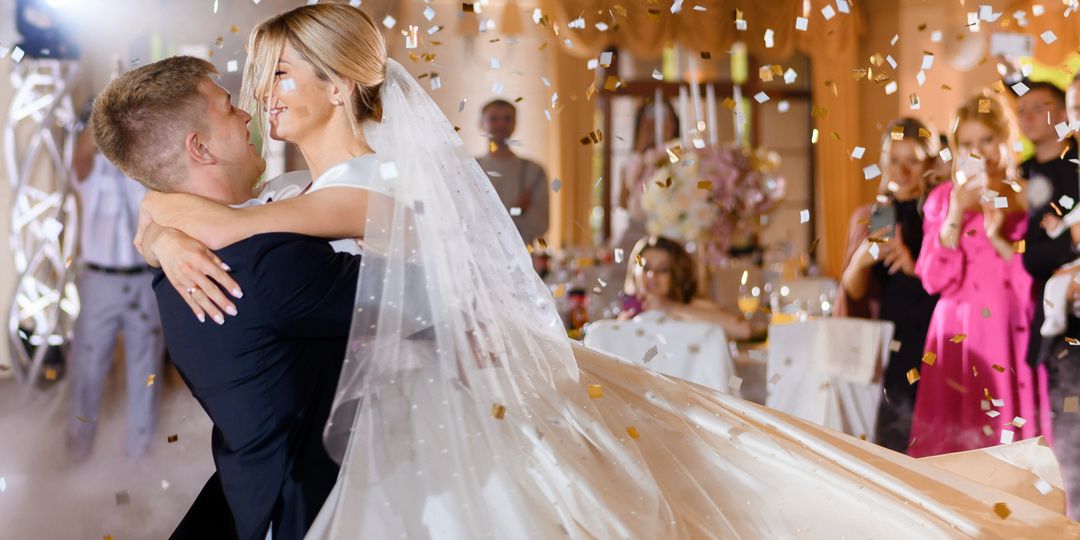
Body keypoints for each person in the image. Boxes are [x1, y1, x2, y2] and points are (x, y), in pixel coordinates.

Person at [135, 4, 1079, 537]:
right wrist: (162, 222)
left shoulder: (377, 176)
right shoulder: (275, 200)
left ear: (339, 84)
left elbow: (346, 220)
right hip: (359, 430)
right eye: (258, 82)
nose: (263, 99)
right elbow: (243, 228)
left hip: (440, 414)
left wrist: (185, 215)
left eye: (278, 77)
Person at [91, 55, 362, 539]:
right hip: (315, 509)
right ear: (199, 148)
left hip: (251, 496)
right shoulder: (265, 264)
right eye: (226, 106)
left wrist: (159, 225)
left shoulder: (179, 262)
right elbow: (433, 295)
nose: (246, 112)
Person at [909, 93, 1046, 458]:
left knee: (1009, 445)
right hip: (956, 333)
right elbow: (933, 280)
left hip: (1008, 329)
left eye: (986, 140)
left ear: (1006, 139)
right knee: (955, 445)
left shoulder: (1027, 198)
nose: (979, 152)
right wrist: (955, 213)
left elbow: (1033, 283)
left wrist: (998, 236)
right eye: (968, 144)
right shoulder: (942, 198)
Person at [65, 95, 165, 464]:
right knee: (88, 371)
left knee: (146, 373)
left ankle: (139, 463)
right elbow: (82, 155)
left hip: (144, 279)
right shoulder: (91, 172)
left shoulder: (144, 168)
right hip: (100, 282)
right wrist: (106, 110)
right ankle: (78, 454)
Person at [836, 118, 939, 453]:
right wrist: (862, 260)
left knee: (937, 441)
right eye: (894, 160)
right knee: (893, 444)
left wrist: (915, 266)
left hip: (937, 337)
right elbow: (854, 297)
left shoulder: (941, 214)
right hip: (893, 346)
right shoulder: (872, 215)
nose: (903, 171)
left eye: (913, 160)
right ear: (882, 161)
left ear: (930, 163)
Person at [1015, 81, 1078, 371]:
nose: (1028, 117)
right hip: (1049, 317)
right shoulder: (1020, 175)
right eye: (1021, 110)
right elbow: (1033, 257)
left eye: (1039, 108)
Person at [619, 236, 751, 340]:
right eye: (646, 268)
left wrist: (668, 306)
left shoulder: (690, 305)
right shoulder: (629, 312)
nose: (652, 275)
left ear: (677, 274)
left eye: (663, 269)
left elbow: (743, 329)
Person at [476, 99, 550, 245]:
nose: (501, 125)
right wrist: (518, 210)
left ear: (515, 124)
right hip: (478, 259)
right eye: (494, 119)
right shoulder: (469, 169)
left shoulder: (534, 172)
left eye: (507, 119)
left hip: (520, 259)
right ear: (481, 123)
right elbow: (464, 220)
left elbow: (541, 226)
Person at [613, 99, 679, 254]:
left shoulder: (680, 157)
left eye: (664, 118)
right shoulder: (633, 163)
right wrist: (640, 150)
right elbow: (623, 203)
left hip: (671, 234)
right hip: (637, 235)